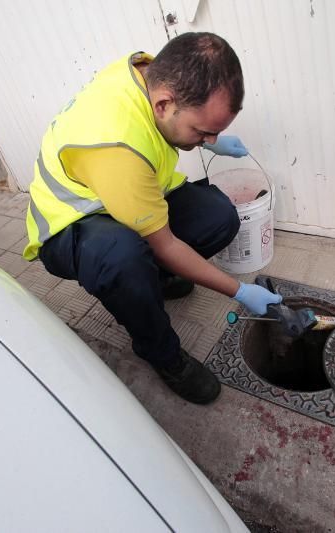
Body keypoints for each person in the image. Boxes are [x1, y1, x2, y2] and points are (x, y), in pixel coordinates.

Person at [22, 32, 282, 405]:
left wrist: (211, 138)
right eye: (203, 131)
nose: (208, 140)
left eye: (216, 131)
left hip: (126, 198)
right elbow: (167, 244)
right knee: (123, 258)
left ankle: (153, 280)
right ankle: (163, 353)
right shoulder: (118, 148)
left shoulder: (146, 70)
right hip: (72, 223)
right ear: (164, 105)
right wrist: (240, 292)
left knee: (219, 218)